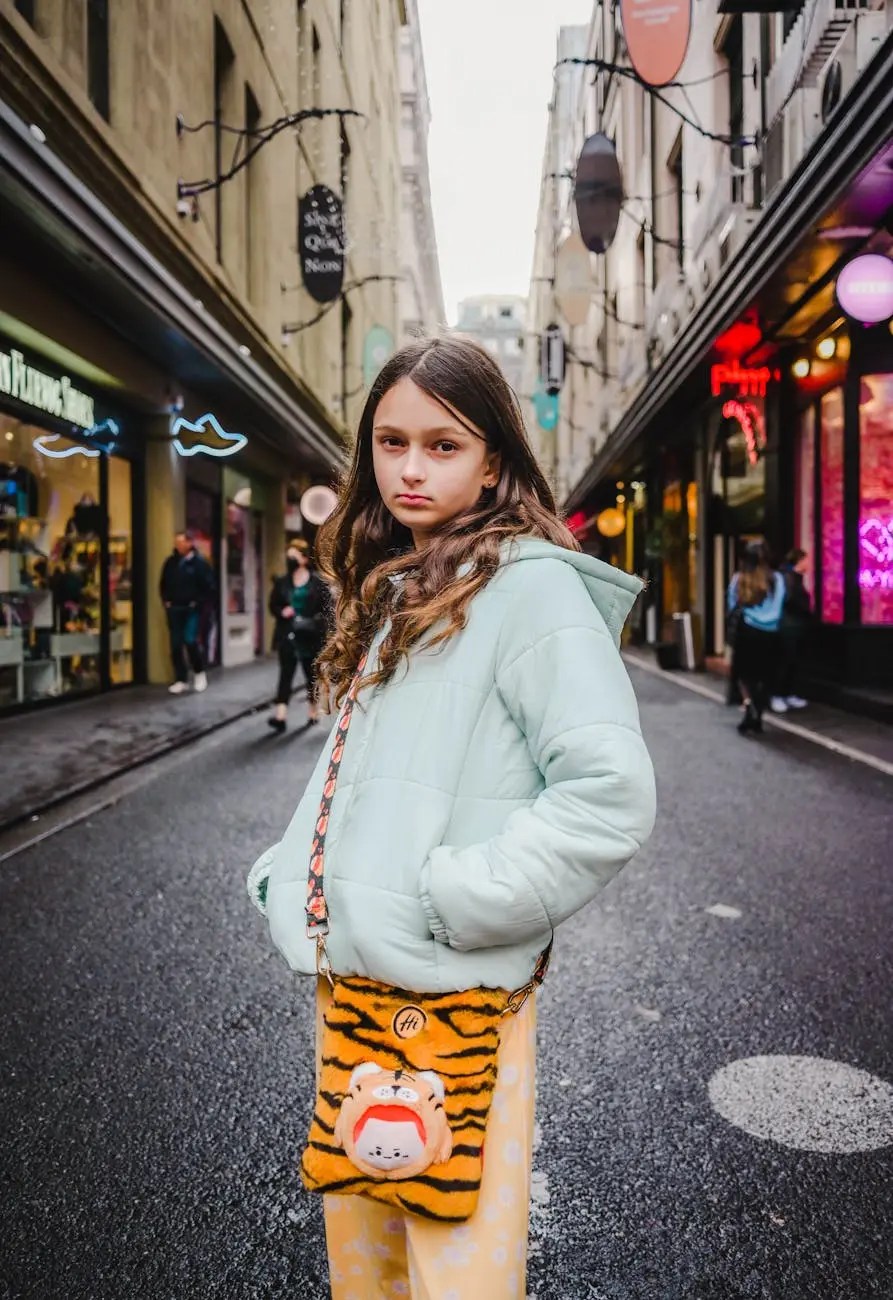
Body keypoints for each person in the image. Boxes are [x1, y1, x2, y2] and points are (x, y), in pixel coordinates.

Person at [247, 335, 656, 1299]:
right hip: (357, 980)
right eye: (391, 443)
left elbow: (609, 793)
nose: (410, 469)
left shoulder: (528, 587)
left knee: (453, 1265)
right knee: (370, 1259)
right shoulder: (411, 586)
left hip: (453, 994)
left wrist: (450, 903)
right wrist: (289, 873)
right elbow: (370, 775)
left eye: (443, 445)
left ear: (494, 462)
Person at [267, 541, 329, 732]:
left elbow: (328, 611)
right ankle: (280, 716)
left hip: (309, 637)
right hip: (288, 635)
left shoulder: (318, 583)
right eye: (288, 556)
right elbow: (273, 605)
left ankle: (312, 710)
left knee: (310, 675)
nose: (289, 560)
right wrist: (281, 610)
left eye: (293, 556)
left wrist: (313, 623)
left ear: (303, 559)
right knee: (285, 674)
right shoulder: (282, 582)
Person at [727, 541, 785, 735]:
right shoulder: (777, 579)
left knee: (745, 675)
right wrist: (769, 620)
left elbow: (731, 605)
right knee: (764, 675)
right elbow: (778, 609)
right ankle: (757, 714)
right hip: (770, 634)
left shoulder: (739, 579)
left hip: (747, 631)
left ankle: (749, 704)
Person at [160, 530, 215, 694]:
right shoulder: (171, 563)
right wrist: (166, 601)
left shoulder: (199, 564)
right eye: (176, 543)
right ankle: (181, 678)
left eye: (181, 542)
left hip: (192, 609)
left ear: (189, 543)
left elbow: (209, 586)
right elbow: (163, 583)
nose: (177, 546)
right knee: (175, 644)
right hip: (174, 608)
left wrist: (197, 603)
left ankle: (199, 672)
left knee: (190, 640)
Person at [775, 548, 811, 710]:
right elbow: (790, 601)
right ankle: (778, 694)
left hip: (794, 624)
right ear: (799, 561)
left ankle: (787, 694)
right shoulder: (788, 578)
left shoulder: (793, 577)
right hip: (788, 625)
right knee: (785, 660)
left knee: (792, 660)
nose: (809, 563)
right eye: (806, 560)